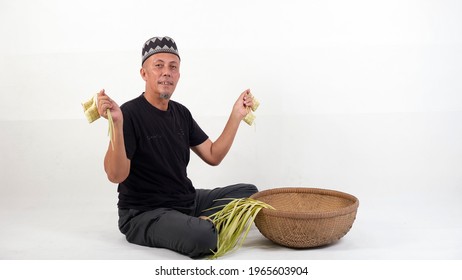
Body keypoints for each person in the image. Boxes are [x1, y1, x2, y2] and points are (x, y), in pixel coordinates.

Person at [96, 36, 258, 258]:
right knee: (203, 238)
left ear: (178, 75)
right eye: (158, 66)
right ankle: (201, 227)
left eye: (173, 67)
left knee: (250, 195)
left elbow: (213, 155)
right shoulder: (128, 114)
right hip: (145, 213)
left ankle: (196, 223)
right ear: (144, 73)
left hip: (185, 201)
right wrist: (116, 123)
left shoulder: (181, 113)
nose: (166, 72)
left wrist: (236, 115)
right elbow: (116, 175)